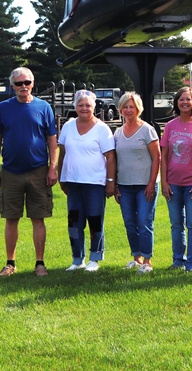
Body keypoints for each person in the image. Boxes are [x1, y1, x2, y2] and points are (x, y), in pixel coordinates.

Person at [0, 67, 58, 277]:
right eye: (18, 84)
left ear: (33, 83)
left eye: (26, 82)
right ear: (12, 86)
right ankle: (10, 263)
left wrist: (52, 168)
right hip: (11, 172)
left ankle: (40, 264)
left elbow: (52, 142)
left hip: (38, 171)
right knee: (11, 218)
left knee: (38, 218)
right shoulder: (3, 108)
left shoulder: (44, 107)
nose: (23, 87)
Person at [57, 89, 116, 272]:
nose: (84, 108)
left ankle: (95, 258)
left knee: (95, 220)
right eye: (80, 105)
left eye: (88, 105)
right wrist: (61, 176)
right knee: (74, 222)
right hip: (73, 183)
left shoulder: (102, 129)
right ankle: (77, 259)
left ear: (94, 106)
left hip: (95, 184)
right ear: (75, 107)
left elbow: (111, 157)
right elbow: (62, 152)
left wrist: (110, 181)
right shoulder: (68, 126)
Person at [161, 86, 192, 272]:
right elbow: (164, 156)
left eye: (188, 99)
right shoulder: (170, 126)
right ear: (176, 102)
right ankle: (178, 260)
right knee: (176, 224)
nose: (185, 102)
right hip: (173, 183)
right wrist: (164, 181)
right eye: (181, 99)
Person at [112, 92, 161, 274]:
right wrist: (115, 184)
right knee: (130, 222)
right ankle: (136, 258)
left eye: (131, 106)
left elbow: (157, 158)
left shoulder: (147, 130)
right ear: (120, 109)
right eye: (125, 106)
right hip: (124, 185)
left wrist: (151, 184)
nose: (128, 110)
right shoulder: (117, 132)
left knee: (144, 221)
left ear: (138, 108)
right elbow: (114, 160)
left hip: (145, 186)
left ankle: (147, 260)